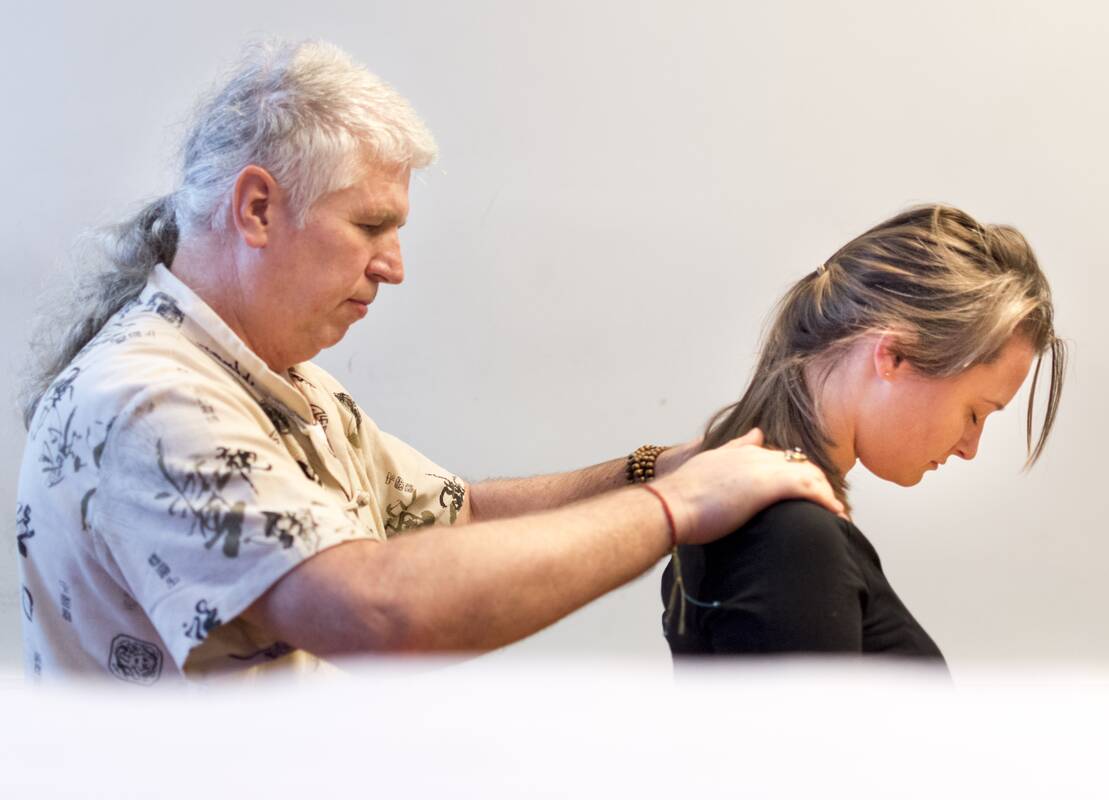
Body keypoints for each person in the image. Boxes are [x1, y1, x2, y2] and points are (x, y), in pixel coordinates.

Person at [14, 40, 844, 684]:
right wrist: (676, 509)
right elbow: (378, 611)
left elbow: (458, 515)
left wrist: (658, 466)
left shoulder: (286, 385)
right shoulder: (149, 400)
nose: (394, 266)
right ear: (258, 208)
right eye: (370, 227)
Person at [661, 205, 1066, 670]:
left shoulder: (761, 525)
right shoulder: (793, 539)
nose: (969, 448)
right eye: (974, 413)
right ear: (894, 355)